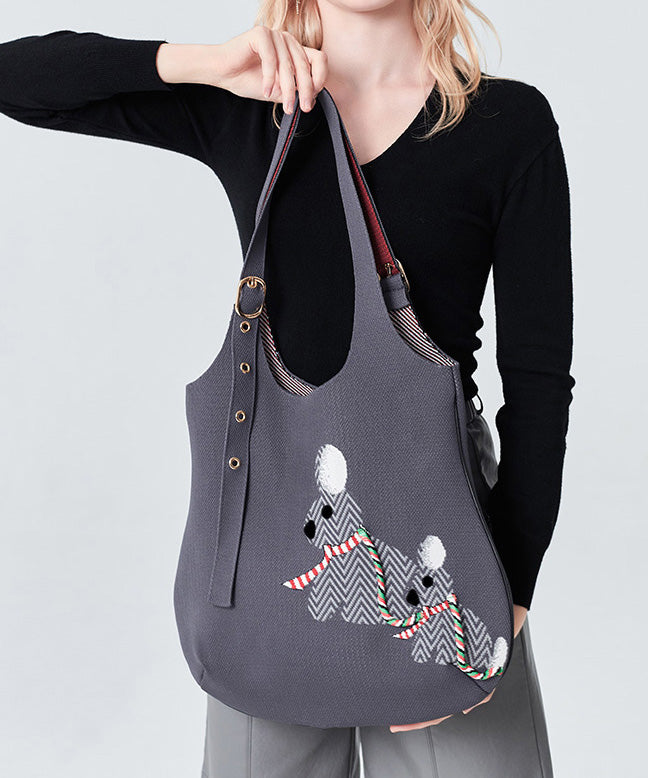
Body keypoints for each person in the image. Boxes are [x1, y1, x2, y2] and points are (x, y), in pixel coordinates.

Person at [0, 1, 574, 775]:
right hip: (274, 536)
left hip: (444, 539)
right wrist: (210, 64)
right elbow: (18, 80)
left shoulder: (506, 123)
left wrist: (512, 597)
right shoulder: (252, 108)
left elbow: (538, 379)